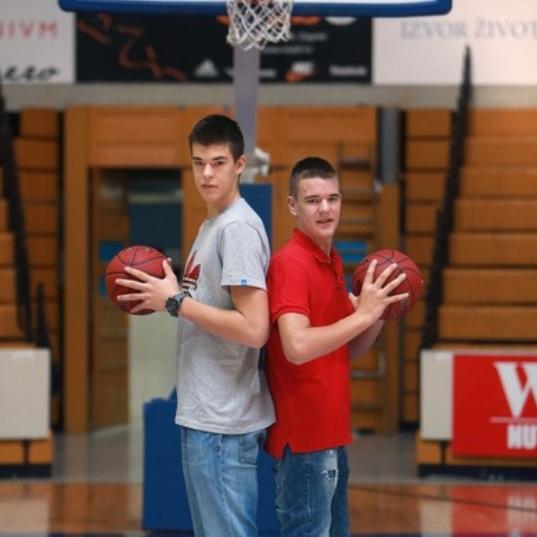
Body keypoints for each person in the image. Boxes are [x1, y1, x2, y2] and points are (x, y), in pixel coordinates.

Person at [116, 114, 274, 537]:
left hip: (224, 425)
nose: (207, 173)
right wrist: (169, 297)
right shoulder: (211, 226)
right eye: (198, 162)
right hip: (206, 417)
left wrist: (174, 302)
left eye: (219, 162)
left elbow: (255, 328)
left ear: (240, 165)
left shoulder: (237, 228)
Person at [265, 157, 408, 537]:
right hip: (305, 442)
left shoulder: (332, 261)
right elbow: (295, 346)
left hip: (331, 437)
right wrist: (362, 315)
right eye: (313, 201)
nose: (326, 209)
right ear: (293, 206)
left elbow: (349, 350)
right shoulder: (290, 264)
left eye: (333, 198)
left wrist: (379, 310)